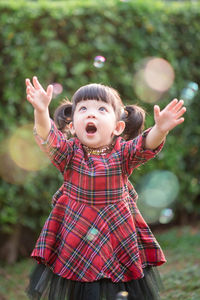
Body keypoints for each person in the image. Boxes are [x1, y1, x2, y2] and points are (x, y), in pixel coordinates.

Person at [25, 76, 186, 300]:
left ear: (118, 127)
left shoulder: (123, 154)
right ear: (72, 127)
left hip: (116, 234)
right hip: (77, 234)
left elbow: (146, 145)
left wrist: (160, 129)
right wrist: (41, 111)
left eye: (101, 109)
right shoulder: (69, 154)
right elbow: (46, 136)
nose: (91, 113)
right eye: (83, 109)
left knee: (118, 287)